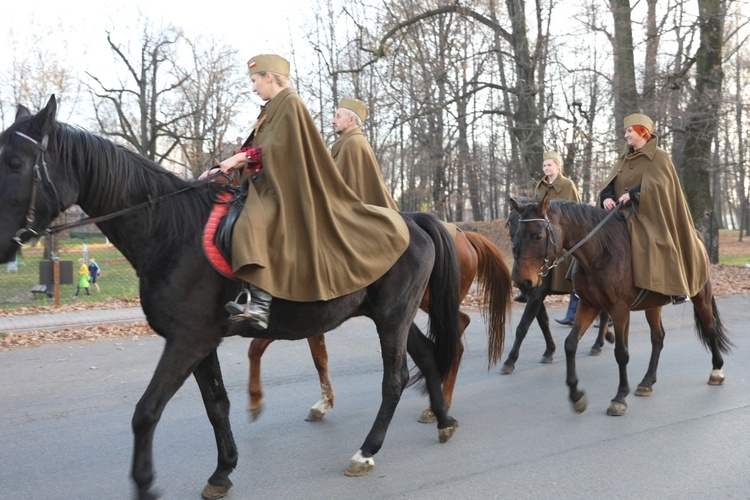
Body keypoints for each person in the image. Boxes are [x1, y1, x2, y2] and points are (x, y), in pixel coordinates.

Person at [202, 55, 409, 329]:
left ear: (269, 77)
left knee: (251, 222)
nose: (253, 88)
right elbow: (257, 146)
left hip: (284, 189)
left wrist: (241, 160)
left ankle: (260, 302)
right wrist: (225, 165)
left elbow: (283, 151)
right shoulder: (271, 109)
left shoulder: (291, 104)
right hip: (266, 182)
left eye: (255, 81)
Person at [600, 113, 707, 304]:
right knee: (594, 234)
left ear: (642, 131)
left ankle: (675, 288)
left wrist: (632, 194)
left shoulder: (660, 156)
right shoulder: (624, 157)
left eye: (629, 131)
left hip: (647, 213)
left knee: (653, 240)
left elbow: (662, 185)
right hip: (618, 212)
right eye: (626, 131)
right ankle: (588, 286)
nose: (626, 135)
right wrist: (606, 197)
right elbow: (611, 181)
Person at [331, 98, 398, 210]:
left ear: (351, 120)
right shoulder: (351, 142)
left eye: (338, 116)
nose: (333, 121)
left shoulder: (353, 143)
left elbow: (335, 183)